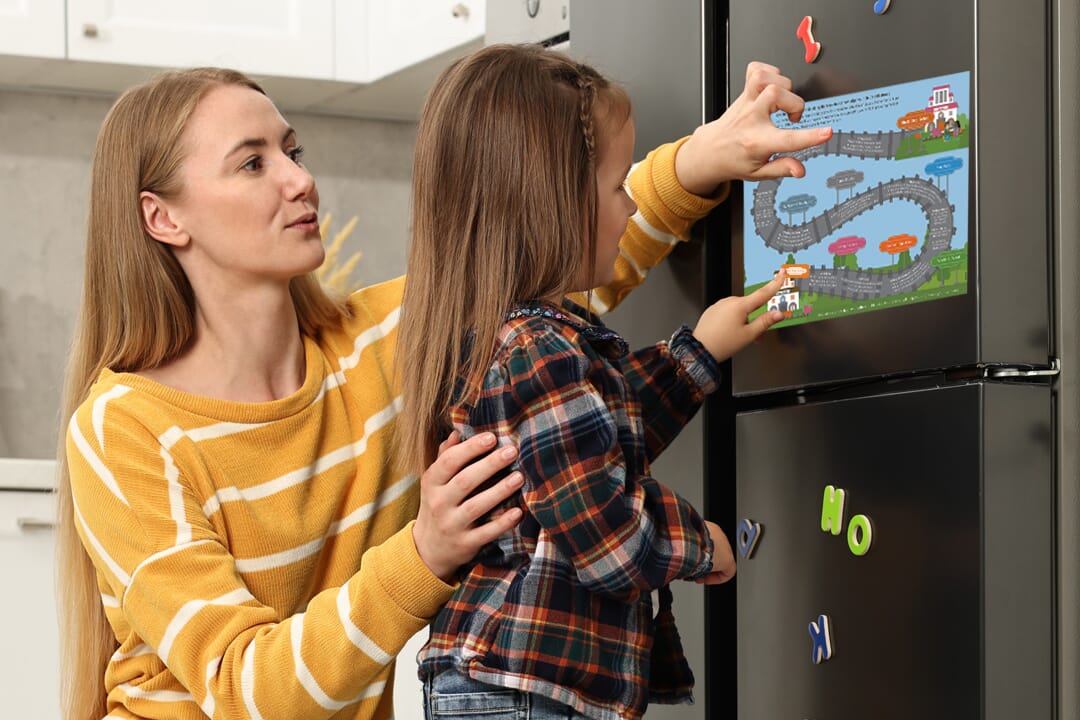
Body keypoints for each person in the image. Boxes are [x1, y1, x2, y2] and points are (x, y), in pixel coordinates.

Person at [55, 52, 828, 720]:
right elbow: (246, 689)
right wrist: (423, 553)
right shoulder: (127, 428)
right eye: (253, 163)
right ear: (163, 219)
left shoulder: (383, 343)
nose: (300, 179)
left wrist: (706, 157)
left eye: (293, 150)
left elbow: (542, 254)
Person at [396, 44, 827, 720]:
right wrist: (703, 543)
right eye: (619, 186)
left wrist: (700, 351)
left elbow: (593, 447)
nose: (630, 207)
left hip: (516, 684)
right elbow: (611, 544)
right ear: (548, 203)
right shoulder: (538, 350)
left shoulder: (517, 337)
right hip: (525, 692)